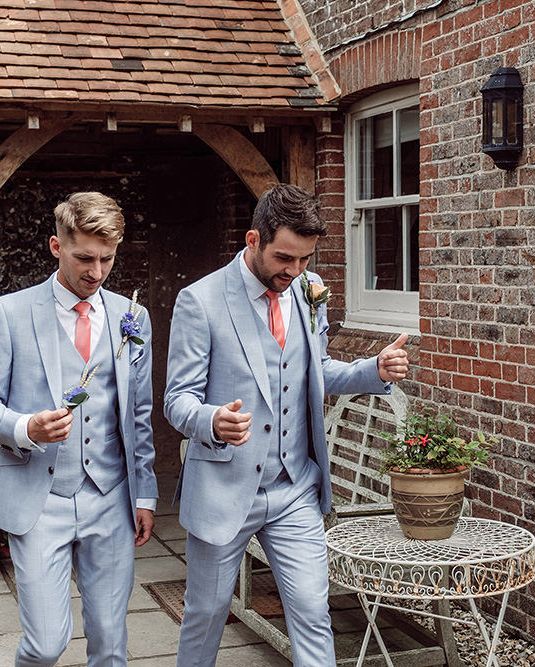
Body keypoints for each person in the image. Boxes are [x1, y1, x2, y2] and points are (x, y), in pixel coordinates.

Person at [165, 184, 409, 667]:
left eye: (304, 260)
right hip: (225, 487)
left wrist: (372, 369)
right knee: (207, 612)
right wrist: (212, 420)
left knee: (312, 611)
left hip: (294, 487)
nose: (294, 272)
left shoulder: (308, 291)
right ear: (254, 239)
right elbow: (177, 400)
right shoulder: (200, 300)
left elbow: (317, 370)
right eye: (284, 259)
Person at [0, 192, 158, 666]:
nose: (96, 271)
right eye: (84, 257)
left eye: (107, 259)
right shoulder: (9, 313)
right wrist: (25, 426)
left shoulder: (134, 319)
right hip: (39, 498)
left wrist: (144, 494)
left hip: (110, 497)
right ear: (56, 246)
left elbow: (139, 414)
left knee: (111, 644)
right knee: (46, 644)